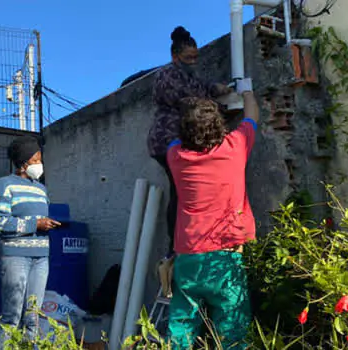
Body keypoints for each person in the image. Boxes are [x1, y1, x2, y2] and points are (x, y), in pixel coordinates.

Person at [166, 78, 258, 349]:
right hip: (226, 256)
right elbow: (252, 115)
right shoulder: (236, 146)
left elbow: (175, 138)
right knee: (234, 332)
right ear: (220, 125)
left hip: (189, 255)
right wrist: (247, 91)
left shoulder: (176, 156)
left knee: (181, 330)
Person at [148, 26, 231, 261]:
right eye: (188, 58)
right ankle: (176, 247)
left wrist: (218, 88)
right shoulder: (168, 75)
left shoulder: (188, 75)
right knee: (180, 193)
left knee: (185, 192)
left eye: (196, 57)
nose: (193, 61)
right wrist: (219, 107)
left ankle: (184, 243)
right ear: (175, 57)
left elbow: (203, 88)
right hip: (168, 141)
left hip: (182, 141)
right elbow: (190, 102)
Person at [0, 136, 61, 349]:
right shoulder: (4, 185)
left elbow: (37, 221)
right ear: (23, 163)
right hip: (15, 257)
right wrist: (35, 224)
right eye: (36, 159)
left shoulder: (41, 188)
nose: (40, 164)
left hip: (41, 258)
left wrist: (46, 225)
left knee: (33, 316)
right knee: (12, 316)